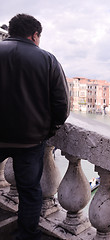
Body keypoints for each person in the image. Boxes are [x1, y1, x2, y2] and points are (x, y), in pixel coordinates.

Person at [0, 14, 69, 240]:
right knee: (30, 192)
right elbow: (62, 105)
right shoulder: (47, 59)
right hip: (30, 139)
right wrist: (50, 129)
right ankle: (26, 235)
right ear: (35, 35)